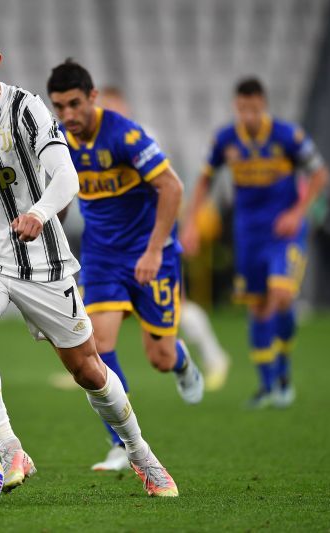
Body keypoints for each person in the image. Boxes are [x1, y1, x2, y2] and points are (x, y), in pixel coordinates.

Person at [0, 21, 177, 497]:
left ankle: (141, 453)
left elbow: (66, 176)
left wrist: (39, 213)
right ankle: (9, 447)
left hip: (40, 261)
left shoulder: (26, 111)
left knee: (88, 370)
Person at [47, 60, 203, 472]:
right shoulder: (59, 140)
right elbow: (60, 194)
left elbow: (172, 186)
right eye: (59, 107)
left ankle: (182, 361)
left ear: (93, 97)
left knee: (160, 358)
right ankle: (121, 442)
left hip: (151, 253)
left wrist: (153, 251)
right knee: (97, 343)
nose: (67, 116)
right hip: (101, 257)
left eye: (74, 104)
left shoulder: (126, 136)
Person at [182, 77, 328, 409]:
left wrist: (298, 211)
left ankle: (284, 372)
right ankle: (267, 386)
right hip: (248, 235)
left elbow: (319, 173)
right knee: (258, 305)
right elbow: (205, 180)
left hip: (285, 232)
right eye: (243, 108)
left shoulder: (287, 135)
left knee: (281, 296)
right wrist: (191, 223)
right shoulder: (225, 139)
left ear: (263, 105)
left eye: (254, 108)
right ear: (237, 107)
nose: (248, 115)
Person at [98, 86, 231, 392]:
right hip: (114, 243)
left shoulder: (143, 137)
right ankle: (93, 366)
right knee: (99, 309)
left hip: (152, 237)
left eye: (115, 108)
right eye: (105, 109)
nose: (110, 115)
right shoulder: (96, 142)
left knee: (176, 309)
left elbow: (165, 186)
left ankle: (213, 356)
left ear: (126, 108)